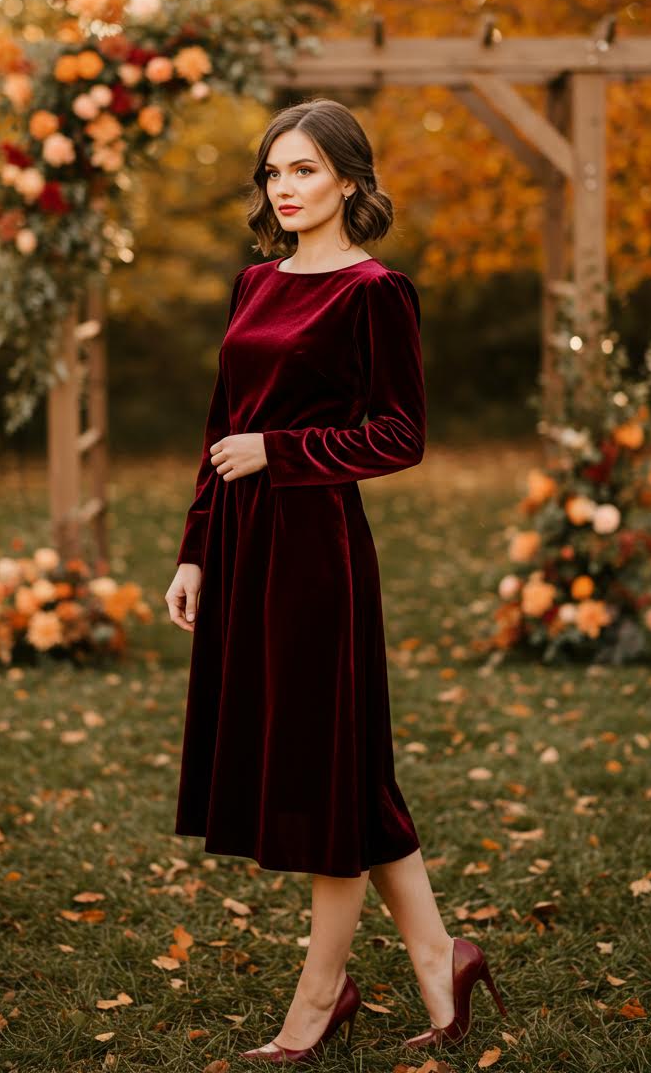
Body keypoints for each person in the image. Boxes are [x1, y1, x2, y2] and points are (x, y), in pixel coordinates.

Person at [165, 98, 506, 1061]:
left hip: (317, 553)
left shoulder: (374, 292)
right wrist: (194, 550)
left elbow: (401, 434)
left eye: (306, 170)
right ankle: (441, 960)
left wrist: (279, 451)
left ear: (350, 180)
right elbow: (217, 427)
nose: (286, 188)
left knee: (322, 774)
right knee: (348, 769)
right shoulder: (252, 285)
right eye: (275, 172)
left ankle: (320, 999)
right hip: (241, 544)